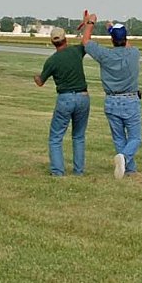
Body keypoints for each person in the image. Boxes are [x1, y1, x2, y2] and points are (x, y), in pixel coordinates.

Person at [81, 13, 141, 179]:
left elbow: (85, 41)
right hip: (130, 99)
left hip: (111, 100)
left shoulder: (105, 55)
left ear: (112, 40)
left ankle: (128, 170)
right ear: (125, 38)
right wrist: (112, 29)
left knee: (119, 138)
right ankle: (125, 160)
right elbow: (126, 43)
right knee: (135, 137)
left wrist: (90, 22)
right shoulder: (134, 53)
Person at [34, 27, 90, 176]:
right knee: (78, 136)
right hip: (83, 96)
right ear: (66, 38)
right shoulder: (76, 51)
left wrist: (36, 77)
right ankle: (79, 171)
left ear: (53, 42)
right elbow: (86, 40)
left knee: (55, 137)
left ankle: (58, 172)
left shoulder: (52, 61)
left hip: (65, 98)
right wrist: (88, 24)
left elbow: (40, 82)